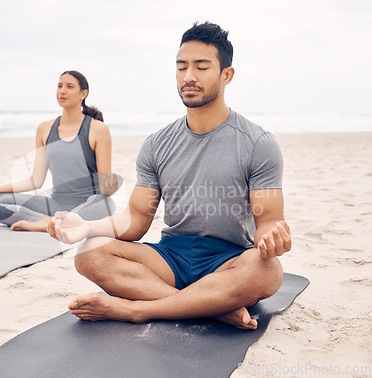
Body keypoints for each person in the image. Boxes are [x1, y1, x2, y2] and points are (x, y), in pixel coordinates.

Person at [47, 22, 291, 330]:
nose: (188, 77)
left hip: (228, 261)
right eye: (181, 67)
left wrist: (270, 239)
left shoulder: (258, 143)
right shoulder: (157, 143)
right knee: (89, 253)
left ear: (226, 75)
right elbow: (135, 219)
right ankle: (211, 308)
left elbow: (268, 220)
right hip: (170, 259)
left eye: (202, 67)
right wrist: (86, 227)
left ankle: (138, 311)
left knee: (268, 272)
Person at [0, 70, 121, 232]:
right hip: (55, 204)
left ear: (83, 94)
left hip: (88, 204)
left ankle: (49, 224)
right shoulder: (45, 129)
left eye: (69, 86)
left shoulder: (98, 129)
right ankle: (52, 223)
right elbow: (36, 180)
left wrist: (110, 187)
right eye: (59, 86)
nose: (62, 91)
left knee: (106, 204)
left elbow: (104, 185)